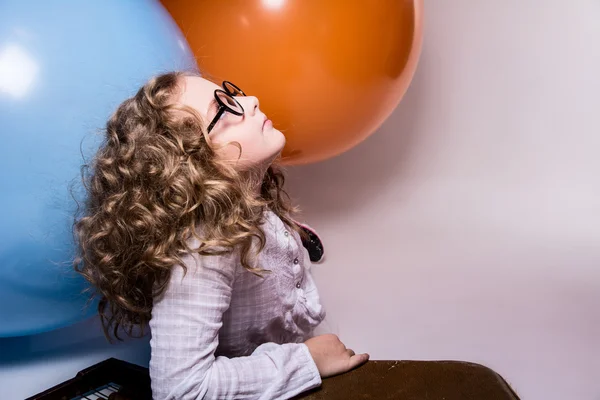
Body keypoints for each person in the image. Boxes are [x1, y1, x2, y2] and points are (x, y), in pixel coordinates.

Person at [74, 71, 369, 400]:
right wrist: (307, 360)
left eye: (235, 93)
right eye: (224, 109)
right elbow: (181, 390)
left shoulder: (249, 201)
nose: (251, 101)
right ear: (189, 161)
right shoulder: (203, 245)